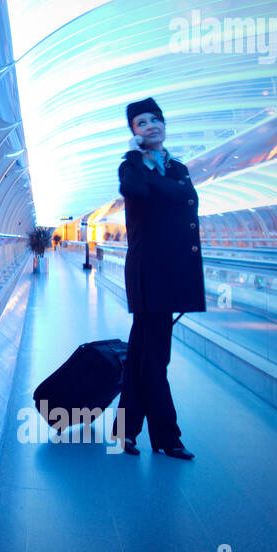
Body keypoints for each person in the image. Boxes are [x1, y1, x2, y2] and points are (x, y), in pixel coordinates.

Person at [112, 97, 204, 459]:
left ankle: (126, 432)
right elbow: (135, 191)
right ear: (133, 133)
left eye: (155, 120)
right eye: (141, 123)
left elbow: (188, 202)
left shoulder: (178, 167)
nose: (150, 126)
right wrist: (135, 156)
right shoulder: (131, 167)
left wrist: (160, 183)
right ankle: (168, 437)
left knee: (142, 356)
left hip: (173, 274)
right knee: (155, 359)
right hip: (148, 274)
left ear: (164, 124)